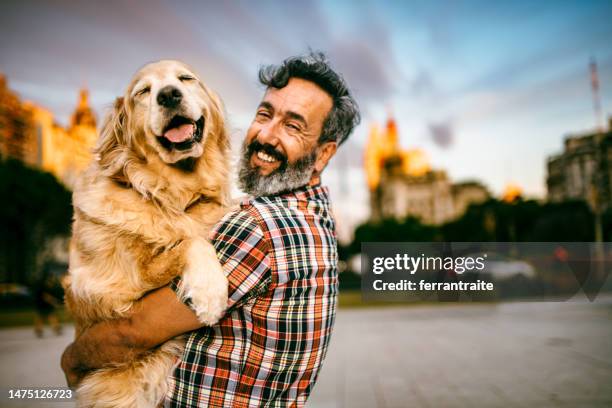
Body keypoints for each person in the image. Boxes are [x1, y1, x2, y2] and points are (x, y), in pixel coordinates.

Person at [61, 51, 360, 407]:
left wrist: (73, 359)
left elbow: (131, 332)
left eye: (293, 126)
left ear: (324, 155)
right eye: (265, 114)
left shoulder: (257, 227)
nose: (266, 134)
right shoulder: (316, 217)